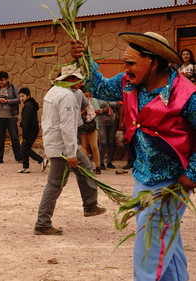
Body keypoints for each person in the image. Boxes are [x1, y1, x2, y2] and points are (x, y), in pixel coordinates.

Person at [71, 31, 195, 281]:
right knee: (163, 240)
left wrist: (192, 172)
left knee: (149, 249)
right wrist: (85, 58)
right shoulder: (128, 82)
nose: (125, 68)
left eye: (130, 62)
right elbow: (99, 86)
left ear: (153, 61)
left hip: (172, 181)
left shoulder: (186, 94)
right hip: (142, 175)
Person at [34, 64, 106, 236]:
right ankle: (42, 223)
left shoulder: (57, 91)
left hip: (61, 143)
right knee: (55, 183)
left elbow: (80, 103)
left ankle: (90, 205)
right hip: (63, 146)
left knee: (86, 169)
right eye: (78, 79)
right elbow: (66, 127)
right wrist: (71, 154)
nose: (81, 82)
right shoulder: (65, 96)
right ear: (71, 79)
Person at [0, 71, 21, 164]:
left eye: (2, 80)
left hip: (11, 116)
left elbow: (18, 99)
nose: (1, 82)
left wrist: (7, 101)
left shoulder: (13, 88)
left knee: (14, 137)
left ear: (7, 79)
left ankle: (19, 157)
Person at [17, 87, 47, 173]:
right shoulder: (31, 105)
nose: (21, 98)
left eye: (23, 96)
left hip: (30, 131)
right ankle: (25, 167)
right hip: (32, 129)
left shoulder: (28, 106)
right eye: (20, 96)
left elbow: (26, 121)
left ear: (28, 96)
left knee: (25, 148)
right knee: (24, 147)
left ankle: (41, 160)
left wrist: (25, 132)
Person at [80, 86, 101, 174]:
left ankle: (98, 166)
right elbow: (79, 113)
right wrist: (85, 111)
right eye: (85, 92)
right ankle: (87, 165)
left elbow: (98, 111)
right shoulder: (80, 101)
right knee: (84, 146)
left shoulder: (94, 101)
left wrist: (90, 110)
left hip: (93, 126)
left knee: (94, 146)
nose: (87, 94)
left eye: (88, 92)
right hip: (83, 126)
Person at [97, 98, 120, 171]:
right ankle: (101, 162)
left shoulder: (113, 96)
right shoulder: (97, 97)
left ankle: (109, 161)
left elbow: (118, 106)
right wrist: (103, 110)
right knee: (103, 142)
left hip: (113, 122)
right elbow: (93, 110)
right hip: (101, 122)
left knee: (111, 142)